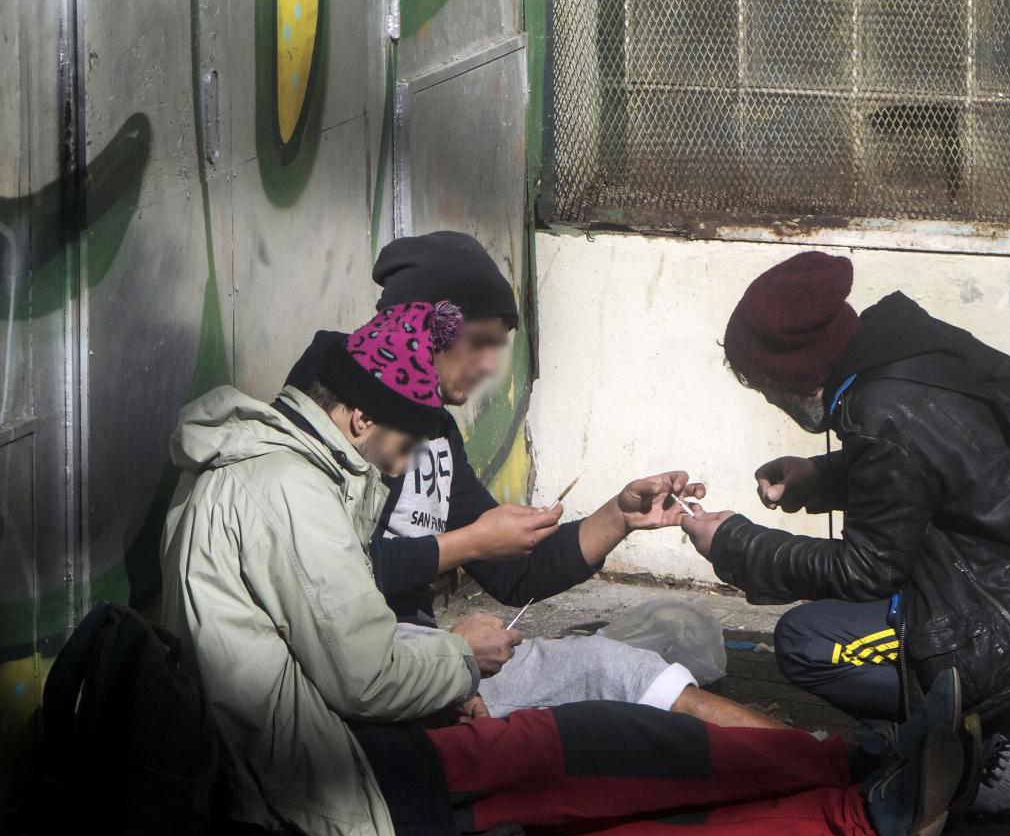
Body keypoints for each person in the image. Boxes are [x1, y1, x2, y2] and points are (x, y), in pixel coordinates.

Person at [160, 301, 971, 836]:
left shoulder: (272, 473)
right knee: (611, 757)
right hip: (346, 778)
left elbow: (344, 647)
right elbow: (361, 672)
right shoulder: (286, 491)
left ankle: (865, 777)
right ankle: (865, 798)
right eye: (407, 438)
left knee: (621, 766)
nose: (407, 465)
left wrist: (604, 523)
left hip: (356, 744)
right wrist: (455, 658)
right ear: (359, 418)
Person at [680, 251, 1010, 816]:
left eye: (765, 387)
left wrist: (735, 543)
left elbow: (867, 569)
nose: (769, 401)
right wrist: (821, 477)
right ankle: (984, 726)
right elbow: (944, 471)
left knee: (807, 641)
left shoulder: (881, 412)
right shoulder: (918, 351)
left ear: (798, 372)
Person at [285, 231, 782, 730]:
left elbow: (512, 576)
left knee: (618, 669)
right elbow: (329, 574)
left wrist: (619, 516)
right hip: (350, 667)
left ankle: (814, 763)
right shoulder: (336, 391)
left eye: (498, 347)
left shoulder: (437, 429)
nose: (488, 366)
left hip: (431, 653)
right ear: (424, 324)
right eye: (479, 342)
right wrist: (471, 547)